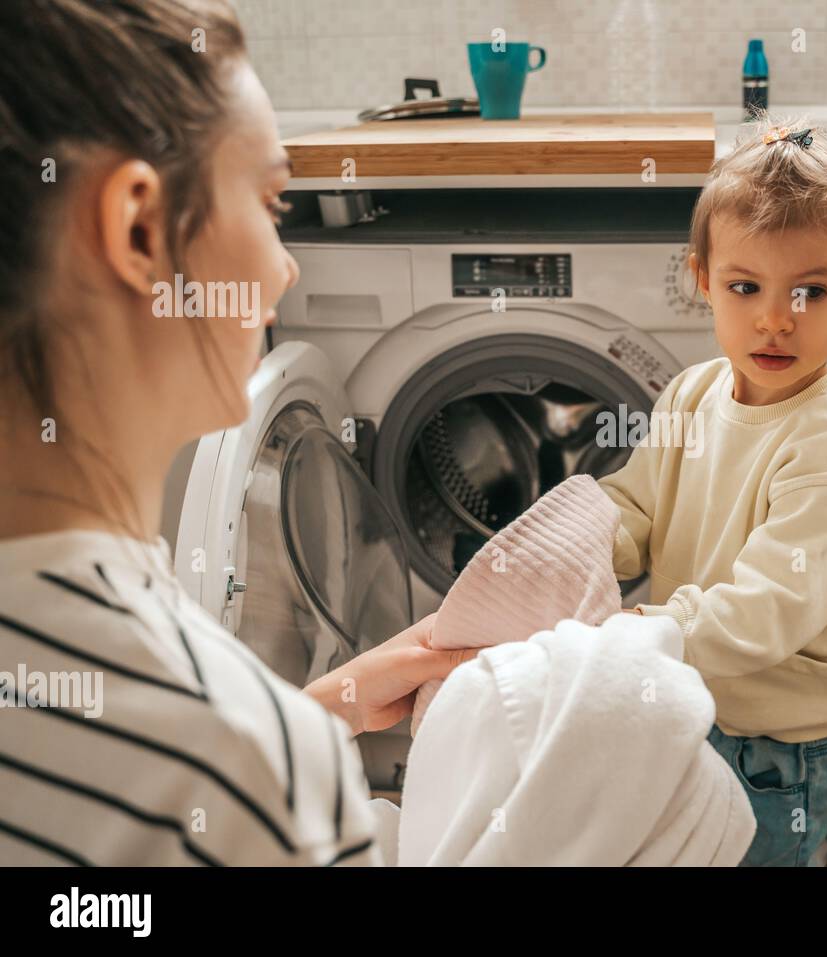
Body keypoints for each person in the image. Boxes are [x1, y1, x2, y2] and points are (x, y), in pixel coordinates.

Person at [0, 0, 478, 865]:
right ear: (141, 231)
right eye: (273, 201)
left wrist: (312, 709)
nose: (285, 264)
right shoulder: (243, 772)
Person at [599, 115, 827, 866]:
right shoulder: (693, 394)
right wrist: (578, 538)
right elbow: (636, 505)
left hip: (787, 744)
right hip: (701, 695)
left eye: (810, 291)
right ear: (702, 279)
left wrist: (643, 634)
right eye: (745, 285)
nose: (773, 317)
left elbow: (765, 609)